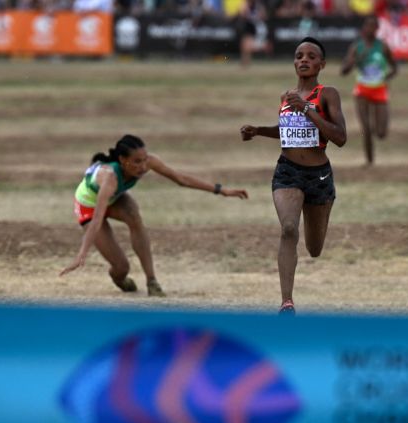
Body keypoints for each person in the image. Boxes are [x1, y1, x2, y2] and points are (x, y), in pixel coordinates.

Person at [60, 134, 248, 295]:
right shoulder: (109, 179)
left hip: (114, 198)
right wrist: (81, 254)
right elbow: (97, 220)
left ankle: (152, 282)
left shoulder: (147, 162)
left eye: (144, 159)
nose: (143, 167)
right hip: (90, 206)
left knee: (134, 214)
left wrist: (222, 190)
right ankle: (118, 278)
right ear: (123, 161)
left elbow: (181, 179)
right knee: (121, 267)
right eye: (136, 162)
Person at [240, 37, 347, 315]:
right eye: (299, 55)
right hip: (287, 171)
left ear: (322, 64)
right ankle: (287, 303)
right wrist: (258, 130)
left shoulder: (327, 94)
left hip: (319, 176)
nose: (304, 60)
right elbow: (287, 130)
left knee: (314, 248)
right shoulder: (286, 96)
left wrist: (307, 108)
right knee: (288, 229)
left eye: (311, 56)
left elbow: (340, 137)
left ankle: (322, 212)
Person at [340, 15, 397, 166]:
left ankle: (373, 148)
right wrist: (351, 62)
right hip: (362, 91)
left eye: (373, 26)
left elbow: (394, 67)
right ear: (363, 29)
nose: (369, 29)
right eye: (367, 26)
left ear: (377, 29)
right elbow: (343, 71)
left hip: (379, 90)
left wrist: (387, 77)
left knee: (381, 133)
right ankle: (369, 161)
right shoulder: (356, 47)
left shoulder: (383, 46)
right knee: (366, 129)